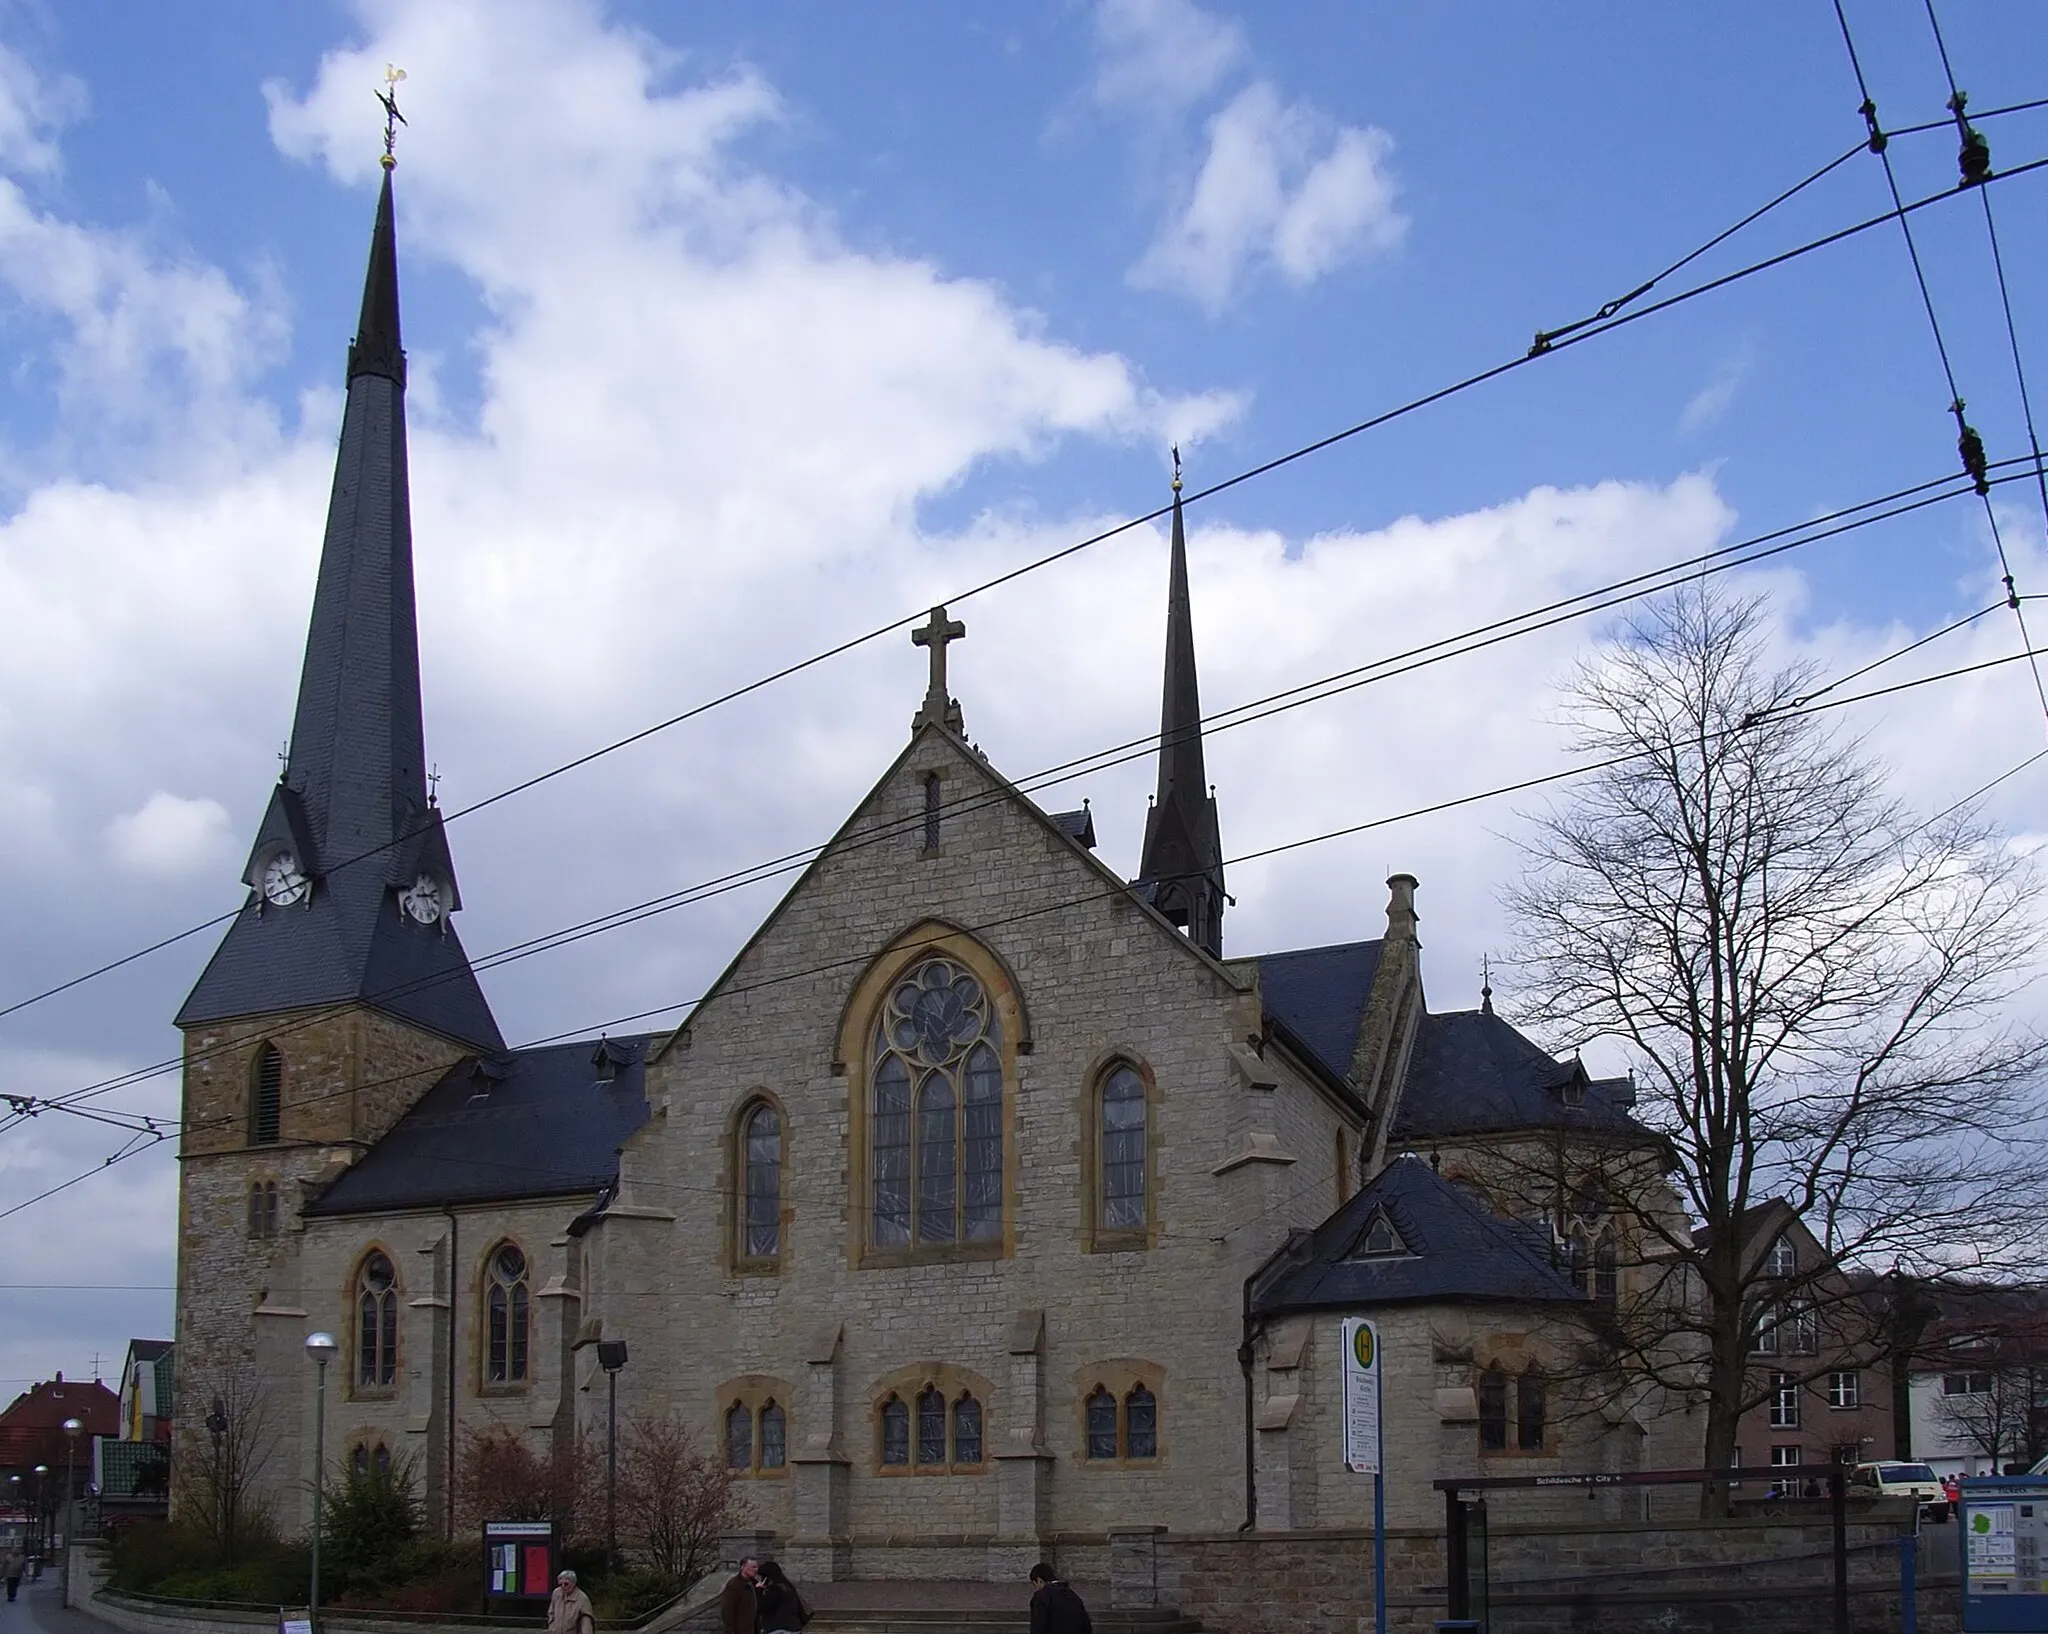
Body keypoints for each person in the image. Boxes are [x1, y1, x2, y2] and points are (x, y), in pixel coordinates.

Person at [1028, 1563, 1092, 1634]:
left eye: (1035, 1585)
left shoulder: (1041, 1597)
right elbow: (1086, 1626)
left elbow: (1038, 1628)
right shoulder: (1073, 1595)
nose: (1036, 1589)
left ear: (1039, 1580)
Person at [756, 1559, 809, 1634]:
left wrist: (759, 1591)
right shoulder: (788, 1587)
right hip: (794, 1627)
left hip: (778, 1628)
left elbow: (764, 1607)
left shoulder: (774, 1589)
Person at [720, 1555, 762, 1634]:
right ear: (743, 1567)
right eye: (753, 1567)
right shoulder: (734, 1585)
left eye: (756, 1567)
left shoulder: (753, 1584)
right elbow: (727, 1610)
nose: (756, 1570)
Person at [547, 1569, 596, 1634]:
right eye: (560, 1584)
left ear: (573, 1583)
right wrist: (552, 1627)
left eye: (566, 1584)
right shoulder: (556, 1594)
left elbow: (586, 1623)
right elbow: (551, 1613)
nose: (563, 1586)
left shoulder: (582, 1599)